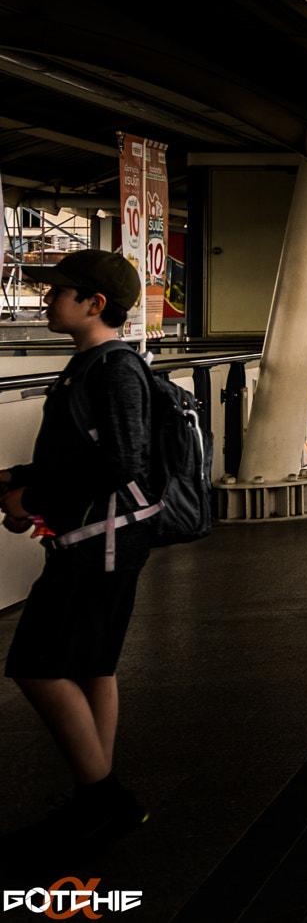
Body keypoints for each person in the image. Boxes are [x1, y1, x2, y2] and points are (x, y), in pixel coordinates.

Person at [0, 252, 155, 857]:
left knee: (35, 664)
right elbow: (80, 457)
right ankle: (96, 799)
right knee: (93, 665)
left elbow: (124, 462)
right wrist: (19, 478)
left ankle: (102, 796)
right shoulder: (92, 363)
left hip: (103, 542)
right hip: (99, 536)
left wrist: (33, 493)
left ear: (94, 304)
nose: (47, 300)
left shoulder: (113, 368)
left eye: (58, 291)